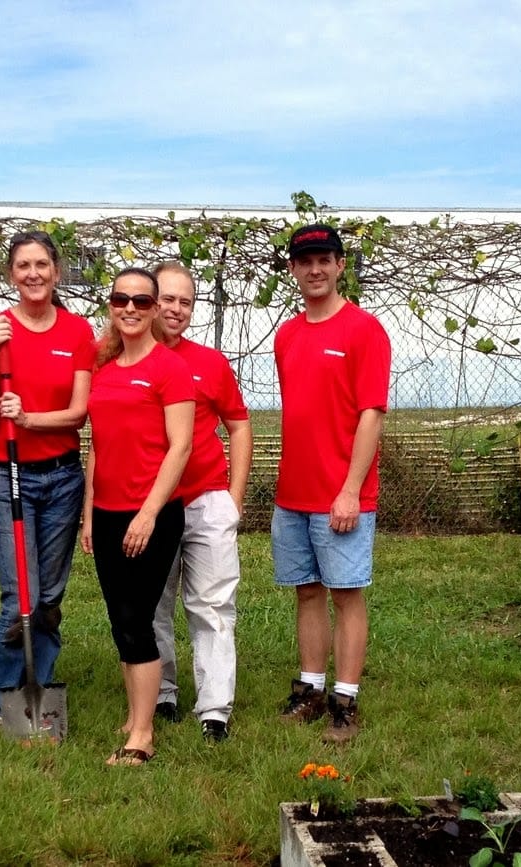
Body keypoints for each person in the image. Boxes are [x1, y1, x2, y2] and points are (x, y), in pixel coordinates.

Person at [0, 230, 95, 729]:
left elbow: (79, 413)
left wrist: (29, 419)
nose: (34, 274)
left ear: (56, 272)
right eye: (24, 266)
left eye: (42, 264)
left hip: (62, 477)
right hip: (8, 476)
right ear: (11, 275)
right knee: (19, 596)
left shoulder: (77, 331)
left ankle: (34, 690)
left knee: (48, 599)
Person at [273, 224, 391, 744]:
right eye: (305, 261)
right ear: (294, 270)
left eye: (324, 259)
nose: (315, 269)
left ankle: (345, 700)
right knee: (306, 593)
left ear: (341, 265)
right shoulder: (288, 335)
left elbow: (371, 416)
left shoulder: (364, 331)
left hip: (342, 495)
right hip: (292, 495)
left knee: (346, 594)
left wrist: (349, 489)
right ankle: (311, 687)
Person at [82, 267, 194, 765]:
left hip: (151, 515)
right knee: (118, 619)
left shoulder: (170, 369)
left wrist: (148, 514)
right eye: (120, 299)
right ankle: (134, 714)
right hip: (106, 514)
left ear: (153, 309)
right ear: (111, 304)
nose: (130, 308)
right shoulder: (104, 370)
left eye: (141, 301)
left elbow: (180, 447)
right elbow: (98, 450)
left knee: (136, 619)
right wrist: (88, 517)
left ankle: (142, 736)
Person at [150, 261, 252, 742]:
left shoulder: (210, 363)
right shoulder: (124, 359)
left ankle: (214, 709)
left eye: (185, 301)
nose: (175, 309)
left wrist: (233, 497)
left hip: (208, 501)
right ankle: (162, 691)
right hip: (149, 504)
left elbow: (238, 424)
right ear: (151, 300)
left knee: (212, 605)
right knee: (154, 604)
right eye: (167, 298)